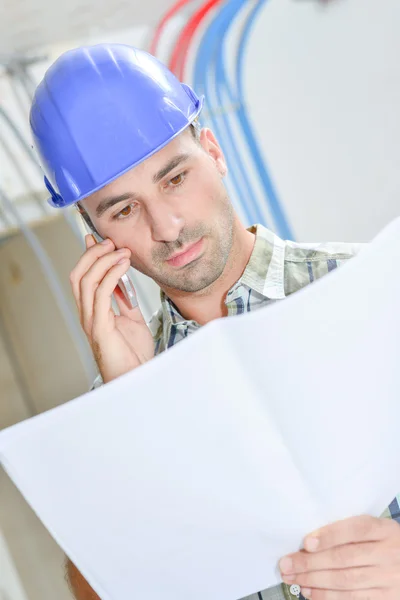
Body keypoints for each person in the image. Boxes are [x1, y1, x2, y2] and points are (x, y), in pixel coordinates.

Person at [31, 44, 400, 600]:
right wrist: (132, 407)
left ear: (213, 152)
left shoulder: (375, 293)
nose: (168, 225)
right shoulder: (116, 401)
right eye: (124, 209)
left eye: (174, 178)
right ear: (96, 236)